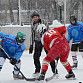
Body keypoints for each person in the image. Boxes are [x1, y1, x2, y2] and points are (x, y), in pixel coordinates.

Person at [29, 11, 58, 78]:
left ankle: (55, 71)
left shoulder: (44, 22)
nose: (35, 18)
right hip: (38, 41)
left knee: (49, 56)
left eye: (36, 17)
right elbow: (32, 34)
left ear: (39, 17)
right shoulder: (32, 24)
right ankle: (37, 71)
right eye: (34, 17)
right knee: (36, 56)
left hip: (46, 41)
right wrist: (31, 45)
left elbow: (49, 31)